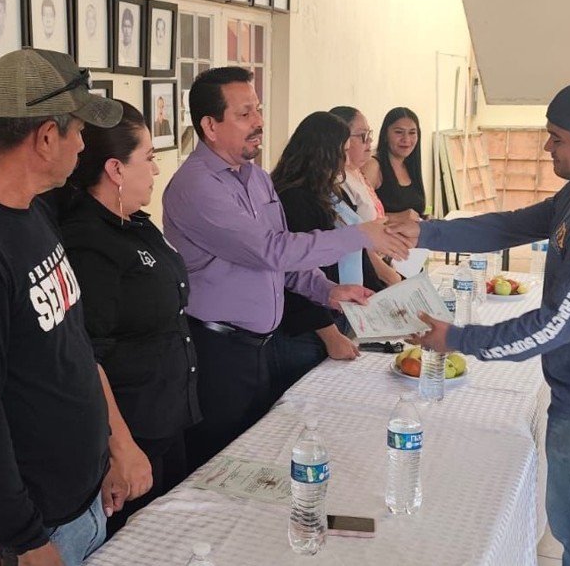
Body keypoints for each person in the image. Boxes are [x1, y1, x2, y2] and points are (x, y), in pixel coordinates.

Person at [0, 48, 152, 566]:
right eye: (78, 130)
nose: (82, 144)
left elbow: (72, 349)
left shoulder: (31, 210)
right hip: (31, 536)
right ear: (44, 137)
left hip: (82, 506)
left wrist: (110, 449)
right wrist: (26, 540)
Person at [409, 79, 570, 566]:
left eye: (556, 137)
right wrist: (426, 232)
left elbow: (553, 326)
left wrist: (457, 338)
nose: (547, 146)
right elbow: (515, 224)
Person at [162, 66, 414, 470]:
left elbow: (285, 261)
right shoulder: (196, 186)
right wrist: (361, 235)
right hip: (219, 351)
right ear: (210, 126)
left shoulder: (256, 179)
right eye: (244, 114)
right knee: (218, 468)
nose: (259, 122)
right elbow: (271, 251)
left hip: (261, 347)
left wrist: (326, 290)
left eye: (258, 110)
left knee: (260, 458)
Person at [56, 100, 201, 538]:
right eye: (149, 158)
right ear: (116, 169)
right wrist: (121, 448)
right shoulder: (88, 243)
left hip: (166, 421)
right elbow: (87, 356)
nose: (155, 170)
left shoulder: (135, 222)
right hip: (132, 437)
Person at [269, 112, 370, 397]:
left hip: (334, 311)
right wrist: (330, 335)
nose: (345, 159)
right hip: (307, 328)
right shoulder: (294, 198)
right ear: (324, 153)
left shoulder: (325, 190)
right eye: (342, 151)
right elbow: (296, 275)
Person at [330, 105, 402, 287]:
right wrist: (389, 276)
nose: (369, 141)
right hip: (366, 275)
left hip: (382, 265)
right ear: (342, 140)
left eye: (369, 134)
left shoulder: (356, 172)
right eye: (362, 135)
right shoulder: (337, 181)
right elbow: (357, 238)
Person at [361, 106, 427, 216]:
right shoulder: (373, 166)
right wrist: (398, 217)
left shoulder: (410, 165)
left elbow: (420, 209)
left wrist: (427, 216)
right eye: (399, 132)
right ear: (385, 135)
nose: (406, 139)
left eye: (412, 133)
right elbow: (361, 216)